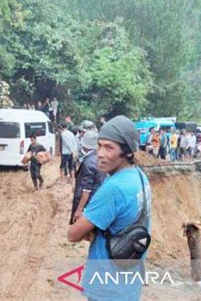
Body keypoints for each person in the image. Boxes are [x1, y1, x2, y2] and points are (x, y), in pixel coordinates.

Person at [67, 115, 152, 301]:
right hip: (128, 281)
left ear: (128, 152)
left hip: (106, 287)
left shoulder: (113, 188)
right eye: (99, 145)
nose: (100, 153)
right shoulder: (139, 177)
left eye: (109, 147)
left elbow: (73, 235)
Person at [69, 130, 105, 225]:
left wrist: (79, 209)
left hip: (89, 203)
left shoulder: (88, 163)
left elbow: (86, 190)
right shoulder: (99, 157)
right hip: (98, 197)